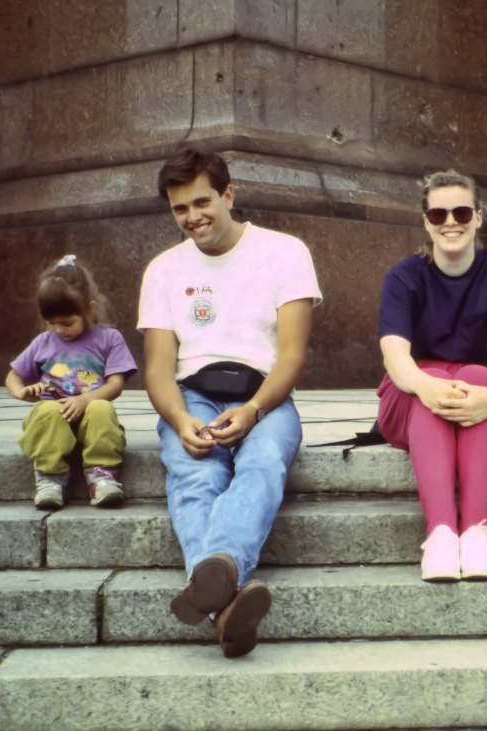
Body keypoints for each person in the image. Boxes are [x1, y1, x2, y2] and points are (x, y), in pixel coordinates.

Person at [138, 147, 322, 658]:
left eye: (202, 202)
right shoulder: (163, 270)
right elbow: (158, 369)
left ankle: (214, 580)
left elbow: (292, 355)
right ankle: (224, 601)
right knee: (195, 474)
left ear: (229, 195)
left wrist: (254, 409)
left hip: (265, 397)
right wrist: (178, 419)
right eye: (179, 209)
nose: (192, 217)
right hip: (192, 395)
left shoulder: (285, 253)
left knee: (262, 464)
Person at [377, 169, 487, 582]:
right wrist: (425, 385)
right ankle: (441, 533)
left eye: (461, 212)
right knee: (433, 373)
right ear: (425, 221)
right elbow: (395, 355)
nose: (450, 222)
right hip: (411, 399)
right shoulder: (403, 277)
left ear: (478, 216)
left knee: (478, 373)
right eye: (437, 214)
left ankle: (476, 532)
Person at [6, 254, 137, 511]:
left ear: (90, 309)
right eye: (51, 323)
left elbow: (115, 384)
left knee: (102, 408)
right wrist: (22, 391)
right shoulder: (43, 342)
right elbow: (13, 376)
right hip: (54, 419)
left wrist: (85, 399)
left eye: (66, 323)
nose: (58, 330)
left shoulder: (109, 338)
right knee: (46, 410)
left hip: (90, 416)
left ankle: (102, 475)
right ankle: (50, 477)